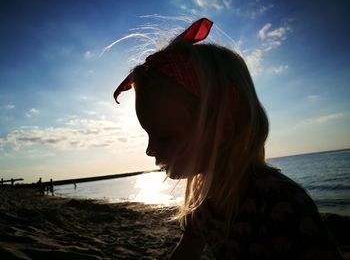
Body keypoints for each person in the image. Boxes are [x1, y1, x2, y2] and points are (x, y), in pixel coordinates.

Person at [114, 18, 343, 259]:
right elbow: (187, 250)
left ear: (222, 129)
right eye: (149, 135)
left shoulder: (281, 202)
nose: (150, 150)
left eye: (165, 136)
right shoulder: (201, 200)